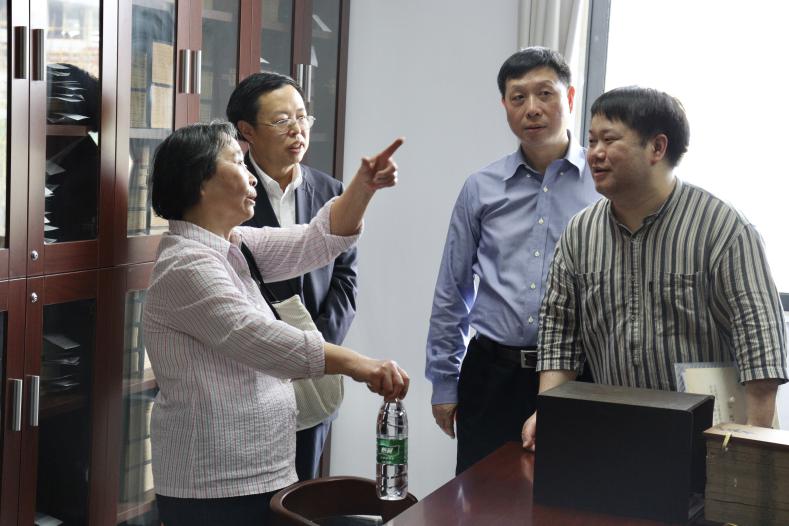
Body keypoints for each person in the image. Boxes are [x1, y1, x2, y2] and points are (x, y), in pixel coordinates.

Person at [143, 120, 408, 526]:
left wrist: (363, 188)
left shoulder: (235, 245)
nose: (251, 175)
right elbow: (259, 339)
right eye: (237, 162)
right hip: (212, 485)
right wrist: (358, 364)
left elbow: (315, 241)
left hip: (264, 469)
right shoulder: (185, 264)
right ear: (200, 181)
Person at [522, 86, 788, 450]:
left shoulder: (722, 228)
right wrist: (549, 411)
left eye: (609, 140)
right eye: (592, 141)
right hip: (615, 431)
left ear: (657, 148)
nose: (594, 153)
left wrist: (752, 441)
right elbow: (559, 336)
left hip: (711, 437)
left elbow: (759, 342)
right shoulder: (580, 233)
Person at [424, 46, 600, 474]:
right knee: (481, 496)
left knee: (569, 496)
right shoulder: (481, 187)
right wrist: (444, 381)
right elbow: (453, 289)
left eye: (545, 94)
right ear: (504, 104)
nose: (532, 108)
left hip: (578, 376)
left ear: (569, 98)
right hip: (491, 375)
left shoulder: (602, 186)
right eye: (518, 97)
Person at [226, 72, 356, 481]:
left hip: (313, 371)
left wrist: (317, 349)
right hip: (249, 374)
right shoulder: (227, 192)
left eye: (302, 117)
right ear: (247, 131)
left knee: (302, 491)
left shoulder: (331, 191)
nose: (297, 130)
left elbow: (346, 280)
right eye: (282, 121)